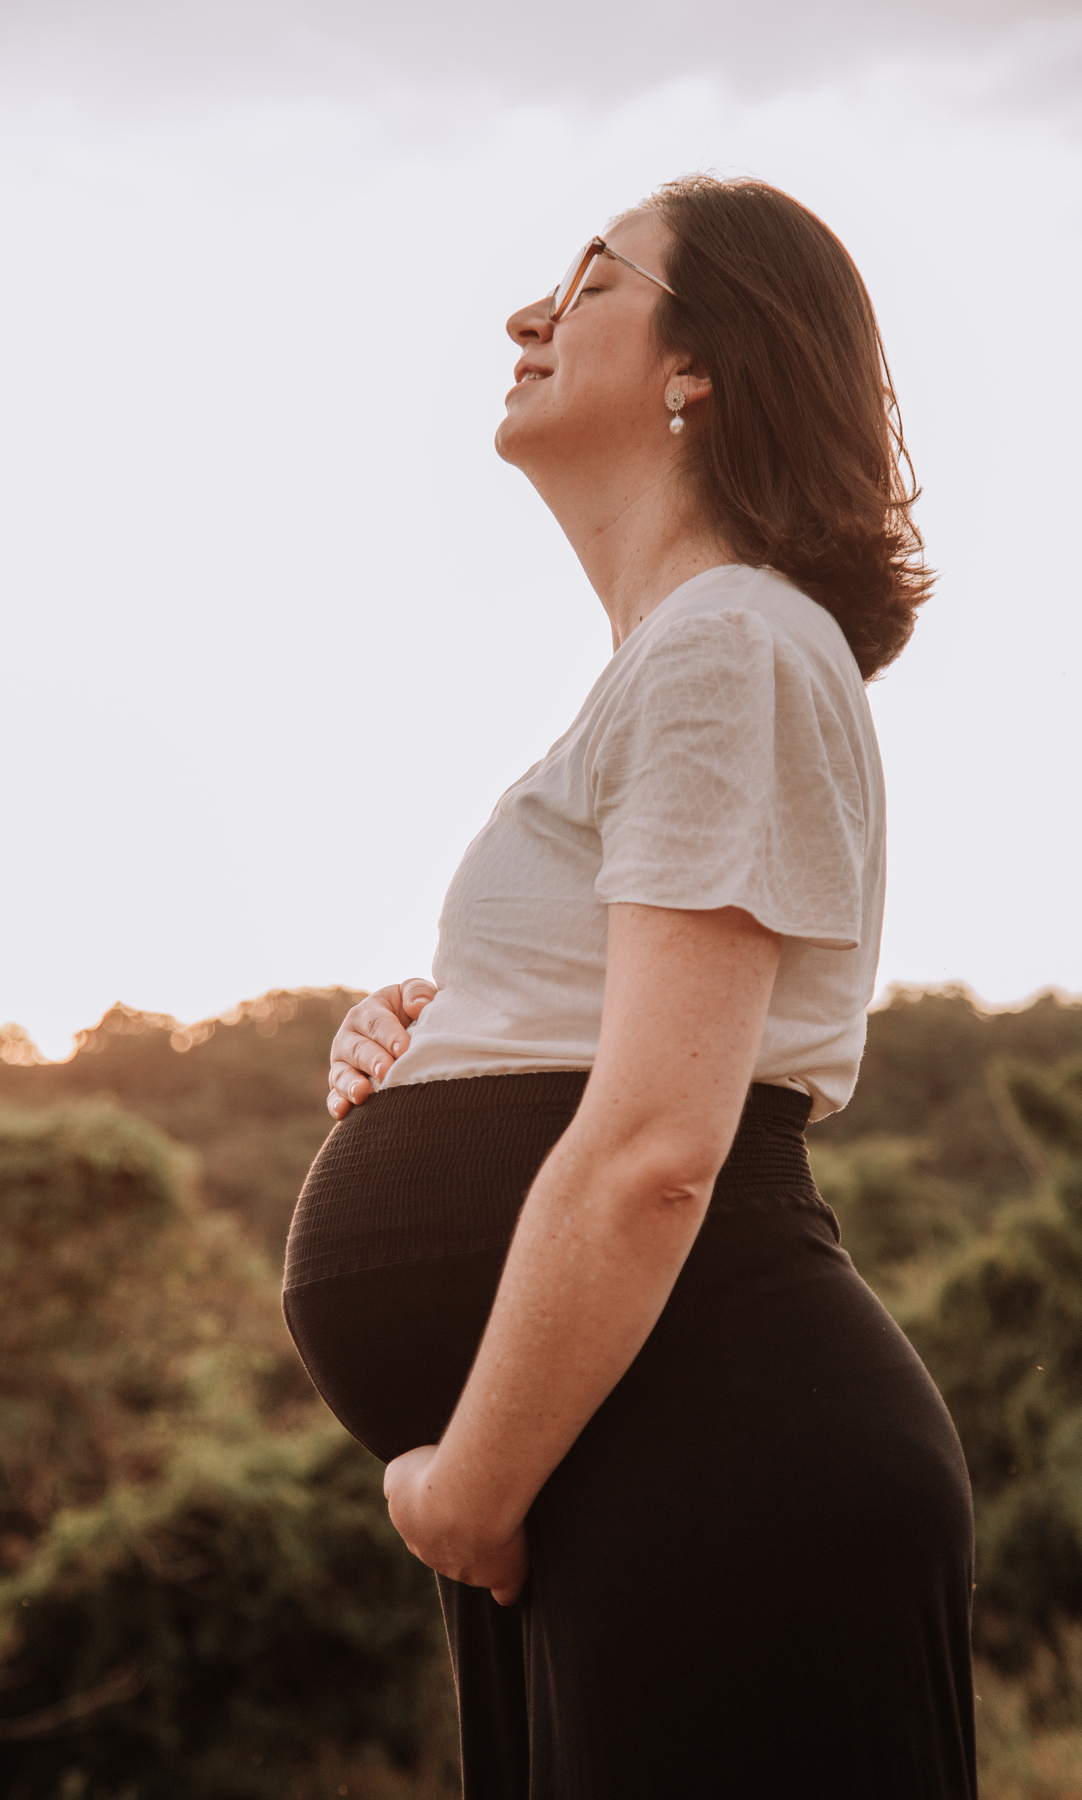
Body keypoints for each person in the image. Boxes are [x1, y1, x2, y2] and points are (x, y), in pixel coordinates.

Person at [283, 175, 976, 1798]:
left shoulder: (732, 641)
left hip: (705, 1465)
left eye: (589, 283)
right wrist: (439, 1041)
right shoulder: (686, 659)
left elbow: (667, 1140)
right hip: (631, 1468)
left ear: (701, 366)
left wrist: (471, 1491)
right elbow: (622, 1041)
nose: (529, 317)